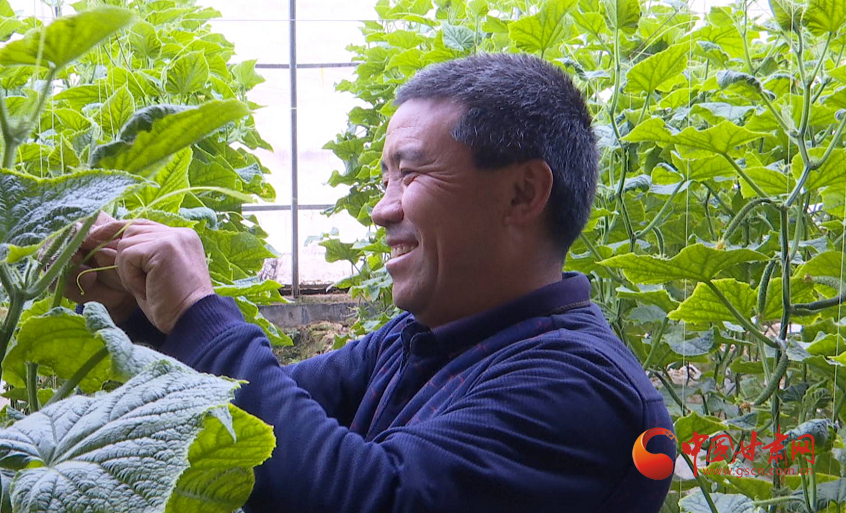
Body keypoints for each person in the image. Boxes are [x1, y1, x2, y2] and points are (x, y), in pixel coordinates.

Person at [66, 53, 675, 512]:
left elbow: (372, 497)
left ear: (522, 193)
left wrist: (199, 311)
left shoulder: (581, 389)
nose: (382, 211)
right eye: (386, 180)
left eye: (410, 175)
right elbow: (260, 420)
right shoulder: (420, 339)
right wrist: (146, 314)